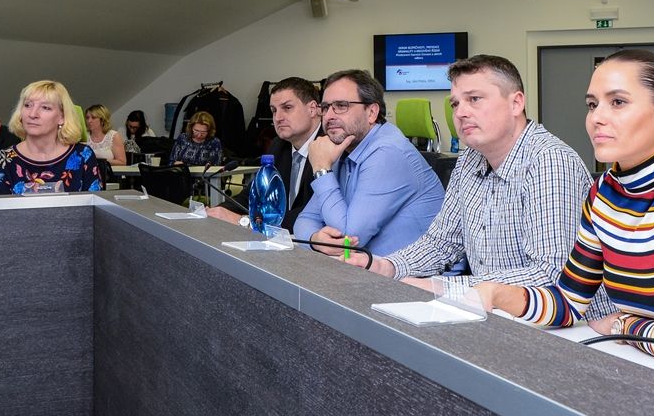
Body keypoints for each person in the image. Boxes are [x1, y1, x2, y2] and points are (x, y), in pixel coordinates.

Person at [476, 49, 654, 368]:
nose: (596, 117)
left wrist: (621, 325)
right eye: (592, 104)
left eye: (618, 102)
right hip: (648, 361)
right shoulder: (604, 191)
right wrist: (497, 294)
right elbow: (568, 302)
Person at [345, 55, 603, 300]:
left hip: (572, 325)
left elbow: (552, 275)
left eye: (474, 99)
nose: (460, 113)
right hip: (495, 315)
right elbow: (441, 242)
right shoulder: (470, 158)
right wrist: (386, 266)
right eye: (455, 104)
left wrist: (445, 287)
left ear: (516, 103)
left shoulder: (549, 161)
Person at [292, 70, 444, 255]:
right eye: (325, 107)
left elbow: (349, 239)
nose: (329, 116)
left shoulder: (388, 151)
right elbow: (305, 219)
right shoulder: (341, 148)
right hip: (365, 265)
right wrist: (314, 239)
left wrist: (322, 169)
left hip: (418, 271)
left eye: (341, 106)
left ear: (372, 112)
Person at [207, 77, 322, 232]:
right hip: (280, 237)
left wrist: (246, 222)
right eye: (274, 110)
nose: (278, 118)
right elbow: (253, 195)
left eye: (287, 108)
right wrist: (217, 212)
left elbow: (314, 214)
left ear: (312, 109)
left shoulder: (331, 146)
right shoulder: (278, 145)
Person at [0, 80, 103, 195]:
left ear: (62, 117)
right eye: (27, 105)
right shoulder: (1, 160)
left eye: (45, 107)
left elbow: (95, 204)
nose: (32, 114)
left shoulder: (83, 155)